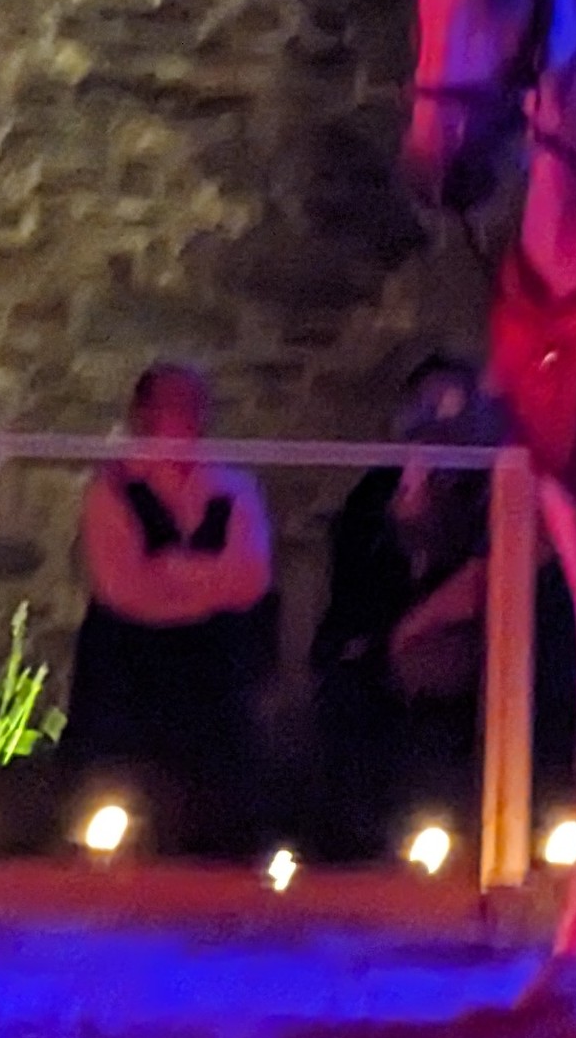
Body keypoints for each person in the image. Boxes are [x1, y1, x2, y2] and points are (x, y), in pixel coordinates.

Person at [59, 363, 275, 858]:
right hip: (129, 662)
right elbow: (122, 587)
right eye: (174, 405)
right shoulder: (111, 490)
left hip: (211, 663)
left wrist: (169, 570)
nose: (188, 417)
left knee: (216, 801)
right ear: (144, 414)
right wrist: (207, 580)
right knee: (117, 792)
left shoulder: (234, 488)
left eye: (195, 405)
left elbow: (251, 580)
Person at [309, 356, 496, 860]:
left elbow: (479, 579)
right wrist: (402, 527)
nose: (438, 426)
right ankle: (357, 855)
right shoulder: (375, 491)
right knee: (349, 694)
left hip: (468, 653)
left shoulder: (494, 489)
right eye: (426, 410)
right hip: (381, 646)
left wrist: (419, 623)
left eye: (451, 410)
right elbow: (355, 584)